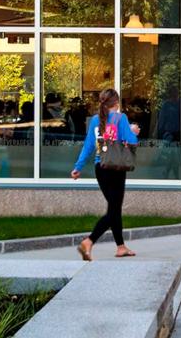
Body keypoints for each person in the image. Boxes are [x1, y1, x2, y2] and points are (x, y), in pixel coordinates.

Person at [71, 88, 141, 260]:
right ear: (116, 103)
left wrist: (78, 167)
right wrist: (133, 131)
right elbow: (131, 142)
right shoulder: (121, 118)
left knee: (113, 208)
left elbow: (88, 145)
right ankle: (88, 242)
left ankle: (121, 247)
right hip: (115, 169)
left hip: (100, 168)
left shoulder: (95, 120)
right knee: (114, 210)